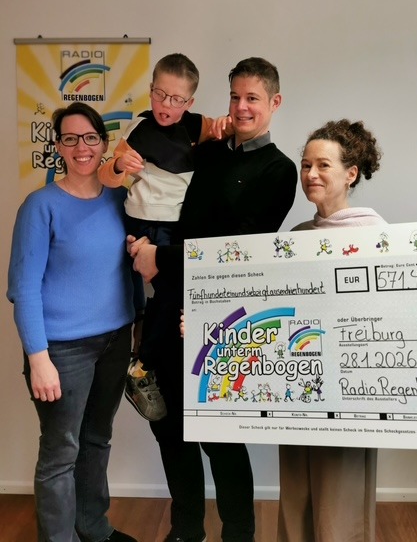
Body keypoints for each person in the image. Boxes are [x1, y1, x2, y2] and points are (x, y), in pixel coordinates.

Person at [130, 57, 298, 542]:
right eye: (235, 97)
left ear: (274, 102)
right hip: (168, 306)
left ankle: (238, 535)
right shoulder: (205, 152)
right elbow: (166, 207)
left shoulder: (279, 170)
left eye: (252, 98)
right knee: (168, 427)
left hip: (224, 317)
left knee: (219, 436)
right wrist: (142, 243)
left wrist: (161, 257)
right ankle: (186, 530)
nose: (241, 107)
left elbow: (239, 250)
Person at [7, 102, 144, 542]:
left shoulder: (122, 199)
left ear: (104, 144)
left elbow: (131, 267)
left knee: (97, 440)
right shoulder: (39, 206)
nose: (81, 147)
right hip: (62, 351)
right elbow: (24, 288)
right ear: (58, 146)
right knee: (60, 454)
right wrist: (38, 358)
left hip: (115, 342)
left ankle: (94, 528)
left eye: (89, 138)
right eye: (70, 138)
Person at [98, 53, 230, 420]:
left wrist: (225, 125)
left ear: (189, 102)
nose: (165, 105)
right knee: (167, 294)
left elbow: (223, 127)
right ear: (151, 90)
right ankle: (141, 367)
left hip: (176, 227)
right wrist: (119, 165)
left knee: (175, 297)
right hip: (142, 222)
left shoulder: (195, 126)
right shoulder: (138, 128)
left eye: (176, 98)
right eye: (159, 94)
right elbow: (106, 176)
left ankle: (144, 363)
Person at [277, 119, 384, 542]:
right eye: (306, 165)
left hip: (351, 390)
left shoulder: (377, 237)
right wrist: (208, 327)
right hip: (298, 387)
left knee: (340, 504)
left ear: (351, 173)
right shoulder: (296, 237)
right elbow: (273, 311)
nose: (311, 174)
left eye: (323, 165)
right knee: (296, 496)